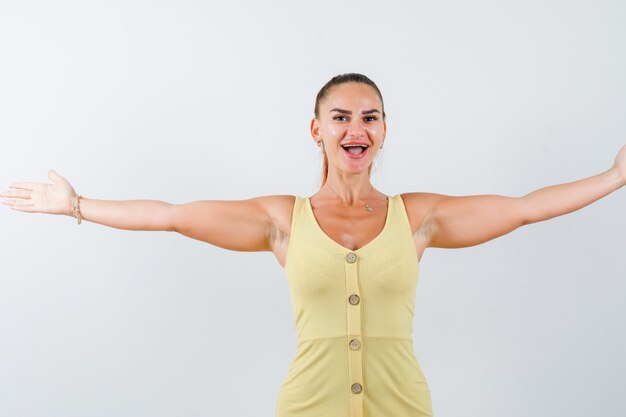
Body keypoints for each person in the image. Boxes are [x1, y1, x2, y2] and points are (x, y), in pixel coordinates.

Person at [1, 72, 624, 417]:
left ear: (384, 132)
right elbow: (172, 215)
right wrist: (78, 206)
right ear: (317, 129)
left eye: (370, 116)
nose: (356, 128)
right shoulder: (281, 220)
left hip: (403, 406)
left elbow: (524, 209)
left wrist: (615, 176)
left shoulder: (420, 217)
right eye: (342, 117)